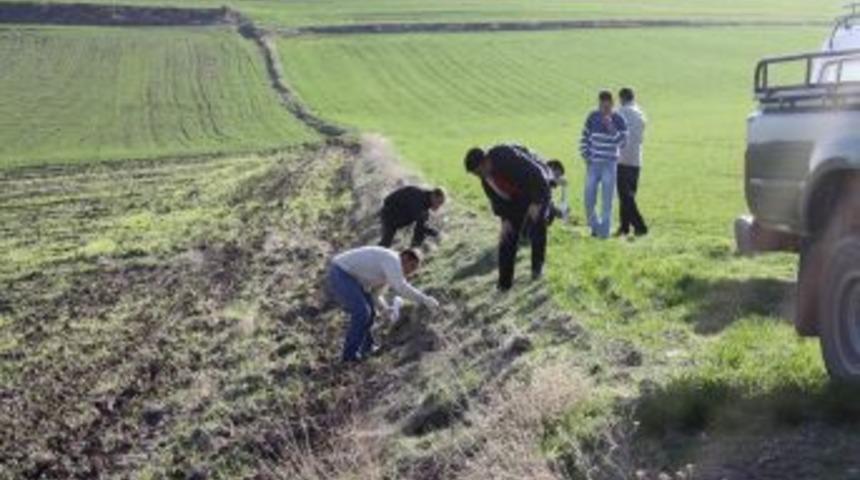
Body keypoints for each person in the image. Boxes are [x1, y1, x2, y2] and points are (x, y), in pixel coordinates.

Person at [327, 246, 439, 363]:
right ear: (405, 258)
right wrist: (424, 299)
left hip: (353, 280)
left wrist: (385, 308)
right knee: (362, 312)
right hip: (341, 273)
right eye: (411, 267)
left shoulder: (390, 267)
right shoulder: (393, 260)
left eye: (414, 270)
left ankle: (367, 348)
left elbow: (375, 294)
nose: (410, 272)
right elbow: (401, 287)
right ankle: (349, 356)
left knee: (371, 313)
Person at [464, 144, 551, 291]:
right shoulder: (486, 178)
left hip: (537, 188)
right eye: (476, 174)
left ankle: (537, 270)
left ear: (485, 161)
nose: (480, 176)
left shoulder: (506, 156)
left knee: (537, 225)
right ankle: (503, 285)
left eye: (479, 172)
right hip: (515, 200)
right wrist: (505, 220)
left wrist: (536, 202)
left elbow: (536, 174)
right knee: (506, 238)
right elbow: (497, 200)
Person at [580, 90, 628, 239]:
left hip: (610, 164)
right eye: (602, 106)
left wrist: (611, 128)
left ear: (612, 105)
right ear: (599, 103)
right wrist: (586, 155)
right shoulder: (592, 117)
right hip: (593, 164)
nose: (604, 110)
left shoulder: (619, 119)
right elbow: (584, 138)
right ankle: (595, 227)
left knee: (607, 201)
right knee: (588, 199)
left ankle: (603, 234)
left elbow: (623, 143)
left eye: (607, 107)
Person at [616, 87, 649, 237]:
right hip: (636, 160)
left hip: (622, 159)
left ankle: (640, 226)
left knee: (625, 197)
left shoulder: (620, 112)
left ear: (621, 98)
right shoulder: (640, 113)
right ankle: (624, 227)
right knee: (628, 195)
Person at [379, 186, 446, 248]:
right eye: (438, 202)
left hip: (397, 214)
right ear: (433, 196)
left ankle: (413, 250)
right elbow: (421, 225)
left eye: (441, 204)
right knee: (386, 242)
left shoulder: (425, 201)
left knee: (420, 231)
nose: (438, 207)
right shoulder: (419, 200)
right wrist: (436, 234)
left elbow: (420, 227)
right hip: (390, 213)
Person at [546, 159, 569, 224]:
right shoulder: (541, 176)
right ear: (552, 168)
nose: (558, 178)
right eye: (557, 176)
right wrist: (555, 211)